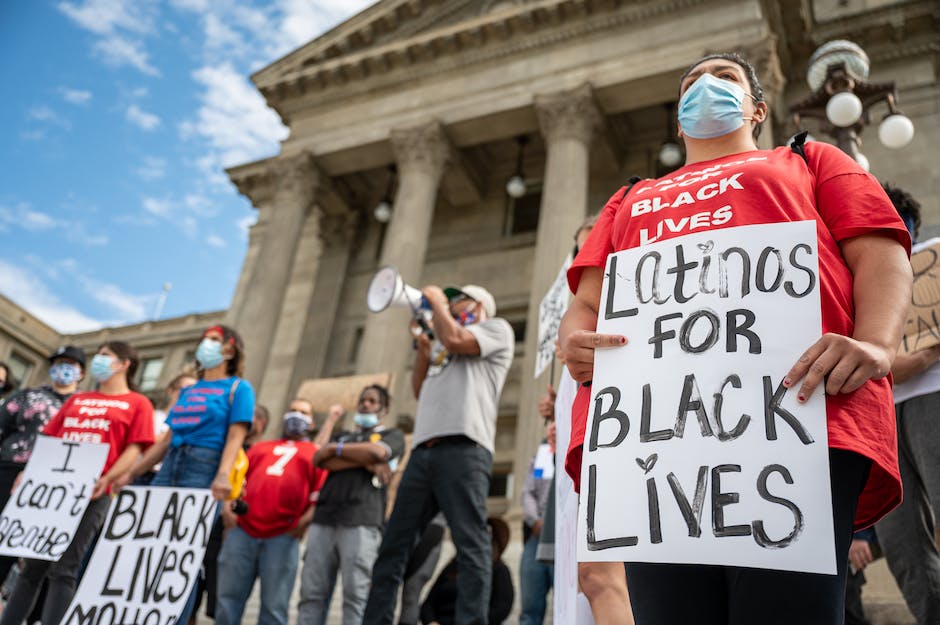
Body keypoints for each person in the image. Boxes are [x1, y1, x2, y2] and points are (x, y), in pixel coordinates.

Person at [559, 52, 912, 625]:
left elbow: (880, 251)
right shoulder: (628, 199)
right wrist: (572, 341)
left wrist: (876, 343)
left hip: (799, 425)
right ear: (679, 123)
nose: (705, 86)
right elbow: (585, 306)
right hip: (657, 450)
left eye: (722, 78)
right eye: (691, 84)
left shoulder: (809, 159)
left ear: (758, 107)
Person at [362, 284, 515, 625]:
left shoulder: (495, 329)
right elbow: (420, 390)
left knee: (471, 545)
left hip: (465, 449)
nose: (452, 305)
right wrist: (423, 347)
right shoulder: (442, 345)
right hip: (423, 452)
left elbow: (459, 340)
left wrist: (437, 304)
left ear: (478, 305)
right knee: (393, 548)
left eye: (458, 300)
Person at [0, 341, 154, 625]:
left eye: (105, 356)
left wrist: (108, 478)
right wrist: (29, 473)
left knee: (65, 570)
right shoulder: (77, 400)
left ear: (124, 363)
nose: (99, 361)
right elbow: (49, 438)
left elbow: (134, 448)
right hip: (51, 489)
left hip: (94, 491)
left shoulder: (137, 403)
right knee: (32, 567)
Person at [121, 324, 256, 624]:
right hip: (169, 467)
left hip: (204, 468)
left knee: (183, 558)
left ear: (230, 349)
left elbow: (235, 437)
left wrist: (222, 476)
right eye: (204, 339)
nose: (205, 345)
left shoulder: (238, 388)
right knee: (149, 549)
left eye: (214, 340)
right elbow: (166, 439)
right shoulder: (190, 390)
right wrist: (131, 472)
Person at [875, 184, 940, 624]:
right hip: (879, 415)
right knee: (900, 542)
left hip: (932, 396)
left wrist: (923, 358)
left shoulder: (932, 257)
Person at [298, 386, 405, 625]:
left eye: (372, 401)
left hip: (362, 522)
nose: (365, 405)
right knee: (311, 594)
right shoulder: (341, 435)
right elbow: (319, 460)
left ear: (384, 409)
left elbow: (378, 451)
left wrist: (335, 452)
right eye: (362, 400)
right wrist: (366, 462)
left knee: (356, 596)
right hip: (324, 519)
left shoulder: (393, 435)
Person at [215, 408, 328, 625]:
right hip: (243, 530)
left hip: (283, 536)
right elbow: (235, 480)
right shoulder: (259, 448)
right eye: (292, 410)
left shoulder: (315, 453)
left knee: (274, 607)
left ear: (312, 422)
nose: (296, 415)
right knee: (227, 601)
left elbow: (319, 496)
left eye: (303, 412)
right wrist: (228, 508)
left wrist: (302, 523)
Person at [0, 346, 86, 586]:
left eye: (69, 363)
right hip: (11, 468)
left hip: (53, 481)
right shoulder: (26, 396)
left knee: (31, 545)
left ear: (81, 372)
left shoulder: (85, 405)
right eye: (58, 363)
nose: (63, 368)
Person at [420, 517, 515, 625]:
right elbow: (428, 604)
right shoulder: (453, 566)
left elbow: (501, 609)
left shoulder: (499, 570)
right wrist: (431, 621)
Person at [134, 371, 198, 486]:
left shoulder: (194, 423)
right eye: (186, 388)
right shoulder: (152, 416)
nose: (190, 393)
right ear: (170, 390)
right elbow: (144, 444)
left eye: (194, 390)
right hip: (142, 475)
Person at [520, 425, 555, 625]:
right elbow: (529, 492)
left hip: (564, 538)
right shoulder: (543, 455)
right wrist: (535, 521)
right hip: (537, 536)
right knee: (530, 608)